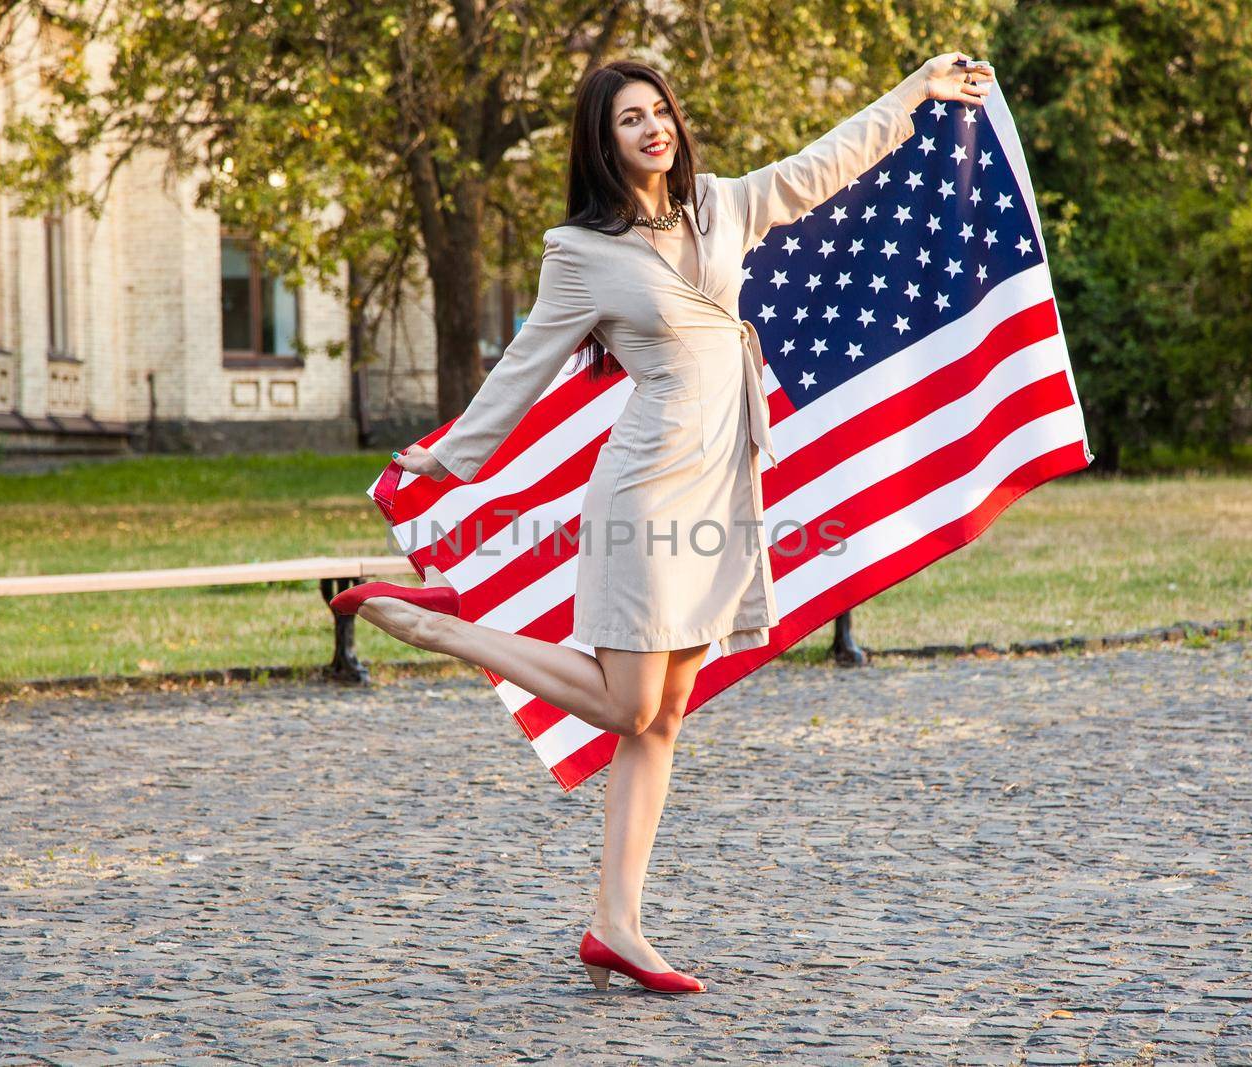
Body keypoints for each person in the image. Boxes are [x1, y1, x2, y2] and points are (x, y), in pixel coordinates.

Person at [335, 51, 994, 993]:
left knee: (665, 717)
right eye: (628, 121)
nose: (653, 130)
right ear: (602, 147)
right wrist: (450, 457)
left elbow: (826, 163)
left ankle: (617, 925)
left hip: (725, 487)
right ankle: (443, 626)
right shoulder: (581, 254)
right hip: (645, 487)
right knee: (626, 704)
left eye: (659, 113)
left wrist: (913, 93)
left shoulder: (723, 206)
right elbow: (525, 362)